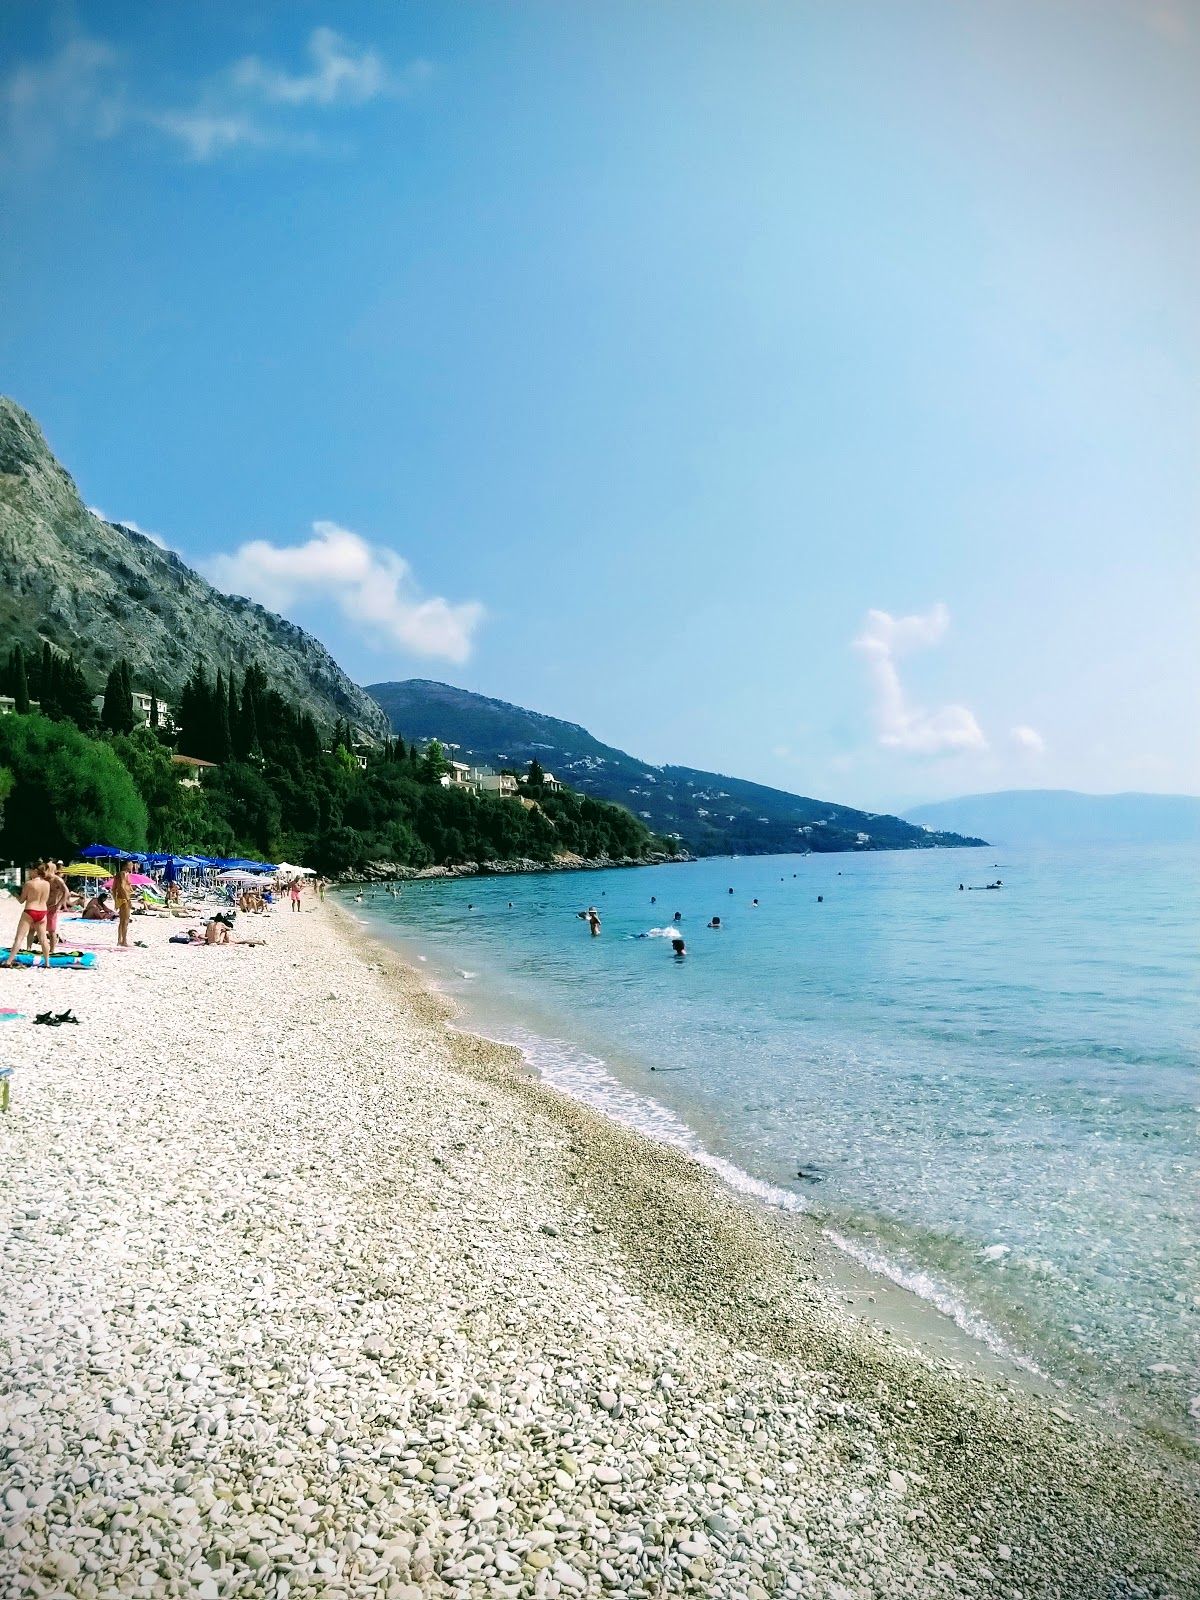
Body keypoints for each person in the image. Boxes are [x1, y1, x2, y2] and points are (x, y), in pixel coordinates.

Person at [3, 864, 51, 969]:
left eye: (30, 870)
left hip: (30, 910)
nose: (29, 872)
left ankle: (8, 961)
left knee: (19, 938)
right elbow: (46, 899)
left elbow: (21, 900)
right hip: (43, 911)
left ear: (35, 871)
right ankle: (47, 963)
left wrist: (14, 893)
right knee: (43, 939)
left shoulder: (29, 884)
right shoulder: (47, 884)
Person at [44, 860, 68, 956]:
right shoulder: (43, 879)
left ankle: (52, 950)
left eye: (47, 869)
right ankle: (44, 948)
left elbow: (66, 892)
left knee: (51, 930)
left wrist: (58, 905)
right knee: (38, 929)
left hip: (52, 907)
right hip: (42, 906)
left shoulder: (57, 880)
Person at [111, 860, 133, 948]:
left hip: (120, 898)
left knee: (122, 921)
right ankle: (124, 941)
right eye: (130, 865)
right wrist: (128, 899)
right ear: (125, 866)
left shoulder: (118, 874)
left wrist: (115, 899)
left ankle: (120, 940)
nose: (132, 866)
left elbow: (113, 889)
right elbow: (122, 887)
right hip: (124, 899)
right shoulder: (124, 874)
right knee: (125, 921)